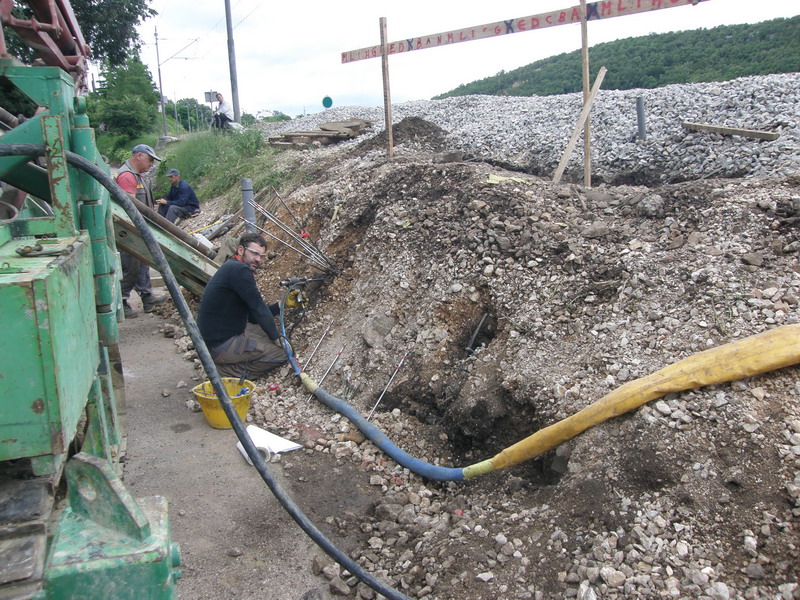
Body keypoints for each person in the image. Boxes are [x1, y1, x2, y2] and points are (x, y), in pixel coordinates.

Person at [197, 233, 302, 378]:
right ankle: (226, 373)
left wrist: (280, 305)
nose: (258, 259)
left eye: (261, 256)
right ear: (241, 250)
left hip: (215, 337)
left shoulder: (232, 266)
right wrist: (276, 339)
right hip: (219, 344)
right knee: (282, 352)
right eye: (254, 253)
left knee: (268, 331)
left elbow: (253, 316)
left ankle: (228, 361)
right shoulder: (240, 271)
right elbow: (258, 309)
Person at [116, 144, 167, 318]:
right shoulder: (127, 177)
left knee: (143, 263)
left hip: (141, 228)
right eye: (150, 159)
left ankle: (147, 298)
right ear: (138, 156)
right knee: (130, 266)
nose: (152, 163)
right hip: (130, 230)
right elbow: (127, 207)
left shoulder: (139, 177)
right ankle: (121, 301)